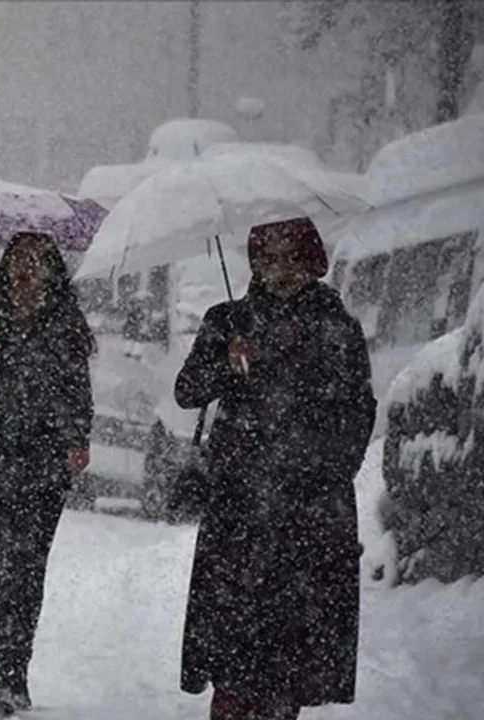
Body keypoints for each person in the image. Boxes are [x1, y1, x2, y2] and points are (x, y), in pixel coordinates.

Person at [173, 217, 376, 720]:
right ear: (254, 263)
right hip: (238, 506)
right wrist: (226, 363)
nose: (281, 270)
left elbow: (357, 411)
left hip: (308, 510)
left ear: (313, 261)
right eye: (269, 258)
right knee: (233, 638)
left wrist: (324, 471)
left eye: (292, 257)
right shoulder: (227, 320)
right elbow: (187, 391)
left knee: (292, 647)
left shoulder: (337, 327)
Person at [0, 231, 95, 717]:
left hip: (44, 467)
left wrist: (75, 440)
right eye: (19, 261)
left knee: (28, 568)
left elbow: (77, 394)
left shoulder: (65, 325)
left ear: (52, 271)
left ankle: (16, 672)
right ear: (5, 266)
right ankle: (0, 677)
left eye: (37, 261)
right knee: (2, 564)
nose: (26, 270)